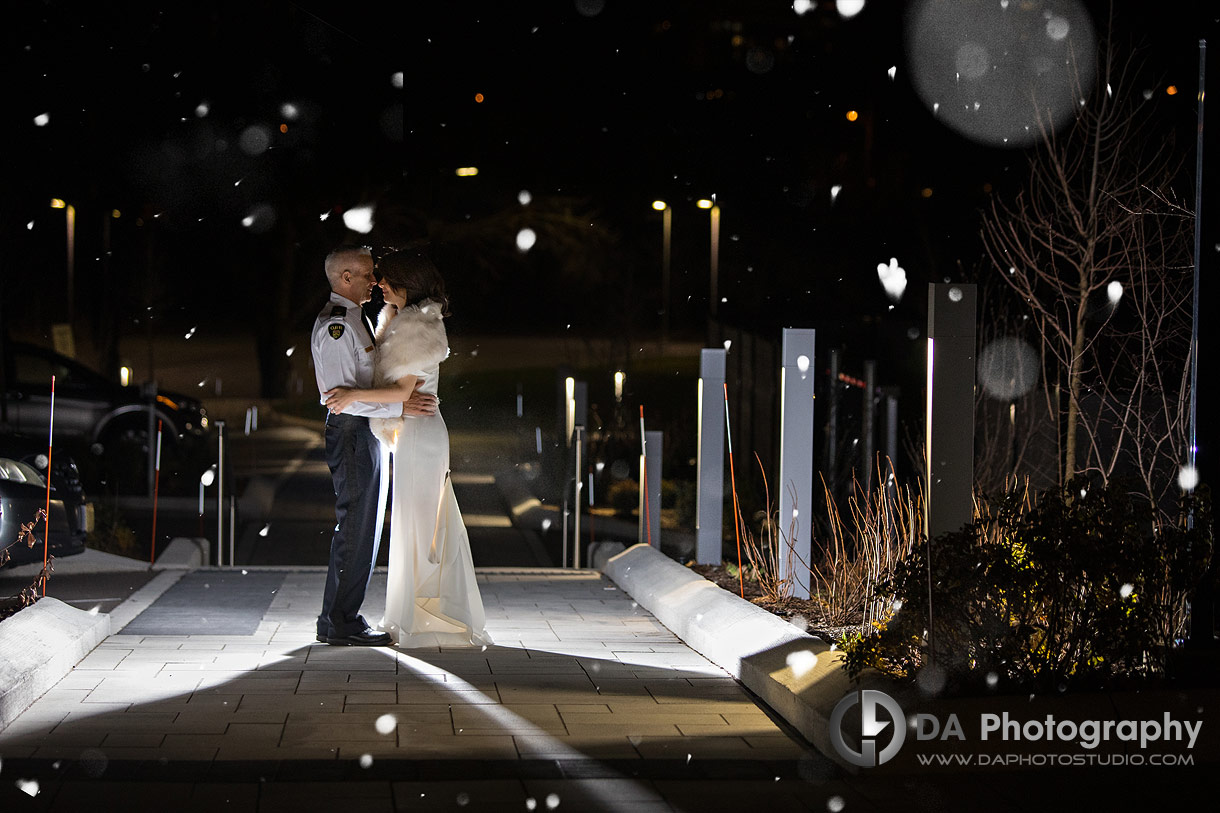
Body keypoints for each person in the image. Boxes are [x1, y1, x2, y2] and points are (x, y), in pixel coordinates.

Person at [324, 248, 490, 648]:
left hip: (421, 433)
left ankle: (425, 615)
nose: (378, 283)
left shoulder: (419, 326)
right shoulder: (398, 320)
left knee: (418, 528)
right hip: (411, 430)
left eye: (384, 278)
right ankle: (411, 613)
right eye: (374, 277)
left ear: (406, 284)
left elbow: (403, 390)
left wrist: (350, 395)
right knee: (411, 527)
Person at [311, 244, 437, 646]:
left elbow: (360, 389)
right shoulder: (338, 327)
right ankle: (342, 621)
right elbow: (340, 396)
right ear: (346, 277)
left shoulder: (353, 318)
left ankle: (334, 618)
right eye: (367, 275)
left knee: (361, 525)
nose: (374, 281)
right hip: (351, 431)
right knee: (357, 526)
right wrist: (401, 401)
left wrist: (395, 403)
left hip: (364, 429)